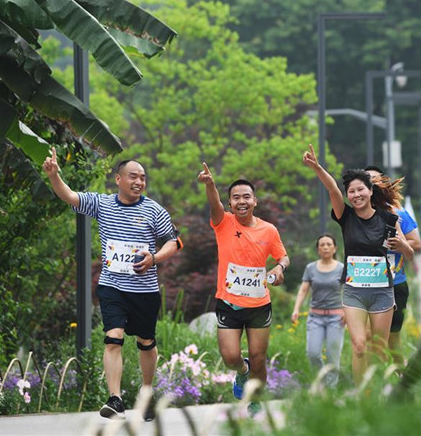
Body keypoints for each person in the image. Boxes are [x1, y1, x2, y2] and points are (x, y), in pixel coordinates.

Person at [42, 149, 182, 420]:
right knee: (113, 338)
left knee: (146, 341)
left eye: (143, 178)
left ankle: (146, 392)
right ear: (118, 179)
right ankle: (115, 399)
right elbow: (69, 196)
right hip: (112, 286)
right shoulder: (102, 204)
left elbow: (174, 242)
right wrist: (54, 176)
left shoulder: (154, 210)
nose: (139, 182)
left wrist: (154, 258)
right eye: (133, 177)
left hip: (144, 290)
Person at [302, 145, 411, 385]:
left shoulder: (388, 219)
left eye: (360, 189)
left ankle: (376, 391)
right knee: (360, 345)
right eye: (351, 191)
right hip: (354, 291)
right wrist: (318, 168)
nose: (356, 194)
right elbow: (332, 189)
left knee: (379, 351)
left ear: (370, 191)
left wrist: (403, 246)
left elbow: (411, 254)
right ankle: (362, 396)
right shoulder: (346, 217)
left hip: (382, 291)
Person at [197, 163, 289, 415]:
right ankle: (242, 370)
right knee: (230, 357)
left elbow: (283, 257)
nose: (241, 201)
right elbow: (214, 205)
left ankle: (256, 400)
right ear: (230, 203)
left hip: (259, 304)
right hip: (229, 303)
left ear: (254, 201)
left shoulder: (269, 230)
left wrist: (279, 268)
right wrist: (210, 185)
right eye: (236, 197)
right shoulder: (223, 223)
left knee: (259, 356)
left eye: (246, 196)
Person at [366, 166, 420, 365]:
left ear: (383, 183)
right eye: (367, 179)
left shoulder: (397, 212)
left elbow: (416, 244)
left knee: (391, 339)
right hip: (365, 283)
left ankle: (398, 373)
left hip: (394, 282)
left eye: (375, 178)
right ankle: (372, 376)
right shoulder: (357, 212)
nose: (371, 182)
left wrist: (397, 244)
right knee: (368, 336)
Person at [291, 234, 345, 387]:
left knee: (333, 356)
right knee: (313, 354)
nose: (325, 247)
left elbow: (349, 291)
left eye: (329, 244)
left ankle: (331, 391)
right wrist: (296, 309)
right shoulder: (311, 268)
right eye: (322, 245)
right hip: (315, 317)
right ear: (318, 249)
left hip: (336, 318)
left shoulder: (342, 268)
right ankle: (321, 384)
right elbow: (303, 290)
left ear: (335, 248)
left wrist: (347, 312)